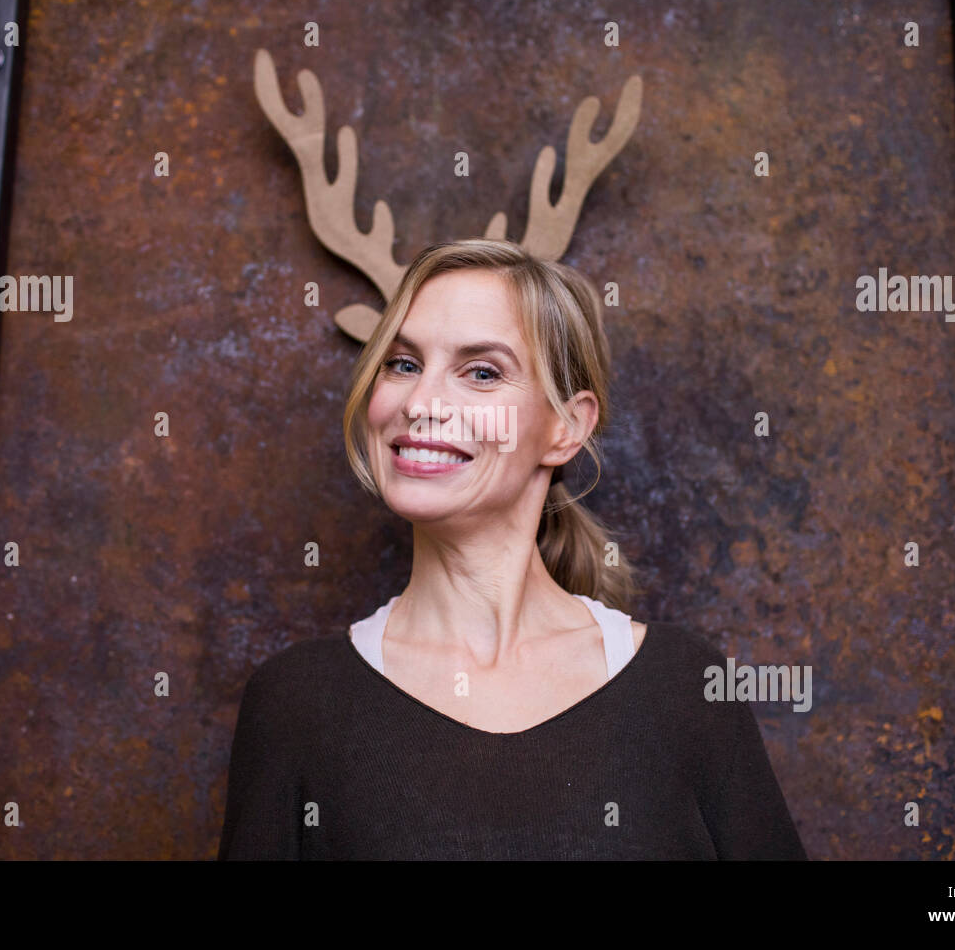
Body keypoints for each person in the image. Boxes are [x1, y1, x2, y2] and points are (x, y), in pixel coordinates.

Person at [219, 238, 806, 859]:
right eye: (403, 364)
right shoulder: (295, 703)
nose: (420, 405)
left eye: (481, 373)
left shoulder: (686, 688)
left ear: (566, 427)